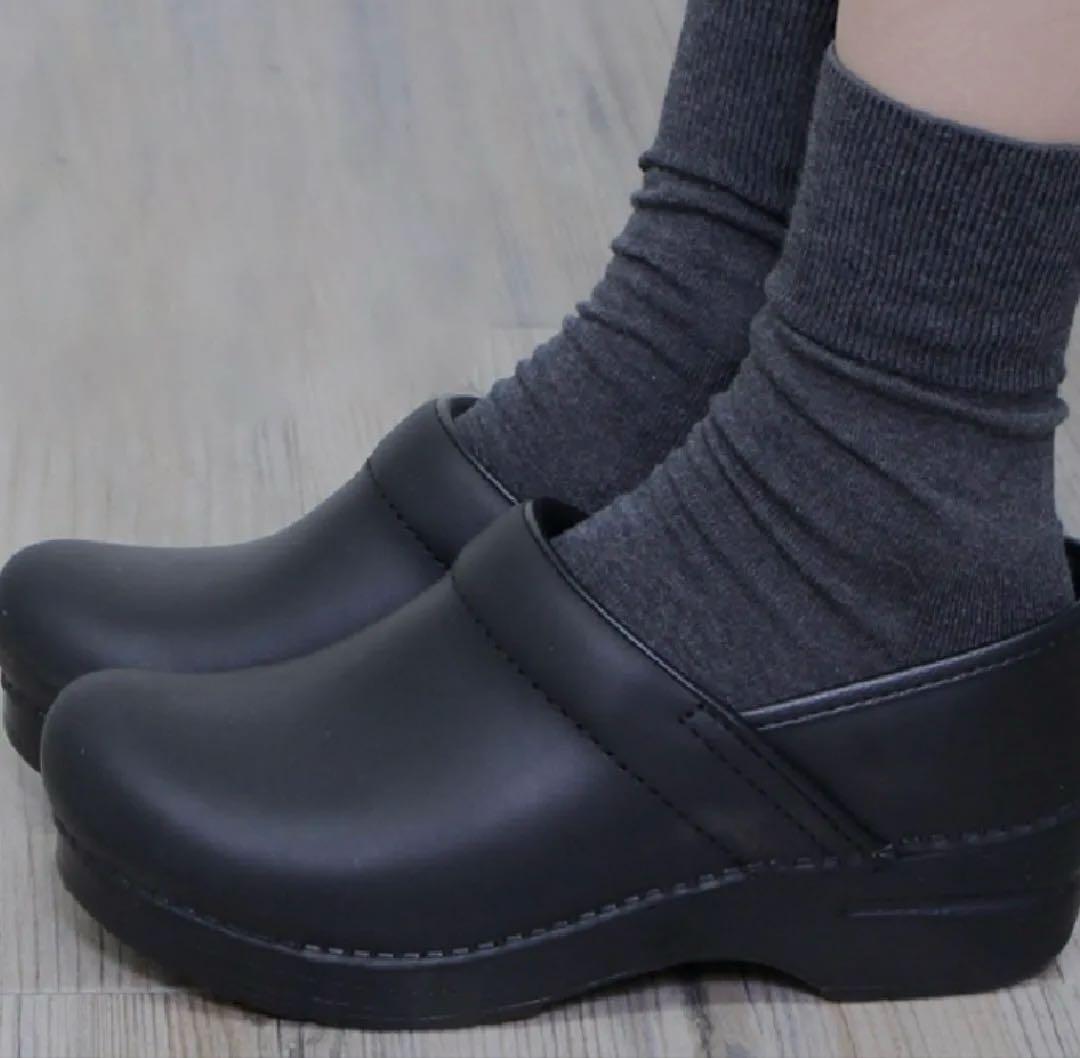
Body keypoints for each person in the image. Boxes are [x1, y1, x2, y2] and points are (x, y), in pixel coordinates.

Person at [6, 0, 1080, 1030]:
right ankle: (730, 342)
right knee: (717, 277)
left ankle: (877, 507)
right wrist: (699, 284)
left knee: (885, 415)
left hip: (873, 579)